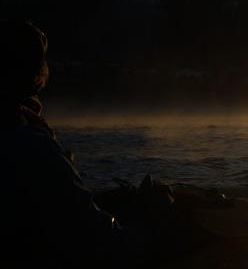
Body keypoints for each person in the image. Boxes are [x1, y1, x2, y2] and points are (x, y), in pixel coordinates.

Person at [1, 19, 152, 264]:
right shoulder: (30, 145)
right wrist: (149, 222)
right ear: (35, 75)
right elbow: (97, 239)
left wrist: (99, 201)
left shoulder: (24, 138)